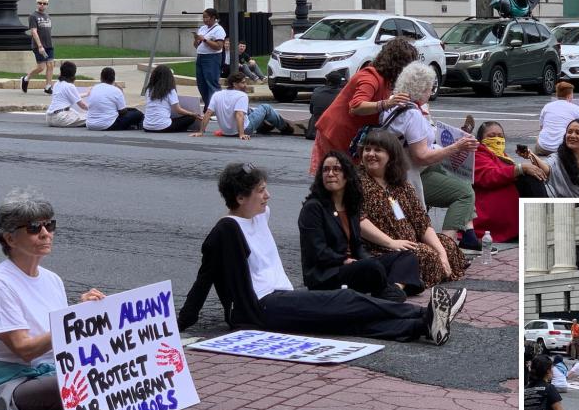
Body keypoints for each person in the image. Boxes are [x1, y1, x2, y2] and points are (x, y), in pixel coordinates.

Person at [177, 162, 465, 346]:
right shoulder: (226, 231)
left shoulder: (259, 217)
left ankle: (423, 327)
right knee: (346, 299)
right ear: (240, 198)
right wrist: (181, 324)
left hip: (280, 300)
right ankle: (424, 314)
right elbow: (205, 277)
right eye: (261, 191)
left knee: (345, 318)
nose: (268, 196)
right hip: (261, 309)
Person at [0, 190, 105, 410]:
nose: (46, 233)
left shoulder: (52, 280)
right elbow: (24, 349)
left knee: (109, 367)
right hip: (7, 380)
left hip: (49, 371)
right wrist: (72, 321)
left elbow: (61, 335)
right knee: (69, 385)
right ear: (10, 239)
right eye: (35, 228)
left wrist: (87, 313)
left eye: (50, 225)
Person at [381, 63, 481, 250]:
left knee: (461, 177)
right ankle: (446, 247)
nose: (431, 93)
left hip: (395, 170)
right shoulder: (413, 114)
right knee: (465, 193)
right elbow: (421, 157)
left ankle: (468, 233)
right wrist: (456, 147)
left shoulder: (394, 103)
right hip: (408, 176)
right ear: (423, 88)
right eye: (431, 88)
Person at [298, 151, 421, 300]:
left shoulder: (351, 206)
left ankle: (392, 289)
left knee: (407, 257)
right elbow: (317, 251)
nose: (330, 174)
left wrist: (367, 260)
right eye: (326, 169)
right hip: (328, 272)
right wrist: (345, 260)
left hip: (354, 266)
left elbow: (357, 246)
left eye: (336, 169)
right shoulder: (313, 208)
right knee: (372, 268)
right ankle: (390, 289)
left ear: (347, 175)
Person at [357, 129, 466, 288]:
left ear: (391, 156)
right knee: (424, 255)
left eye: (378, 150)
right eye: (367, 149)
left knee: (446, 246)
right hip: (379, 246)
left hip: (409, 241)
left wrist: (441, 253)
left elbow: (421, 221)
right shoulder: (357, 182)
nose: (370, 154)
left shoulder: (400, 184)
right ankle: (402, 284)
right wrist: (392, 243)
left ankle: (433, 269)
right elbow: (359, 220)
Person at [311, 37, 415, 175]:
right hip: (336, 134)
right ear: (399, 64)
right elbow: (356, 106)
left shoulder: (384, 79)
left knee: (345, 180)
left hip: (349, 136)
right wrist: (386, 104)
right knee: (336, 179)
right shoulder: (370, 77)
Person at [472, 121, 547, 243]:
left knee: (531, 178)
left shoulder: (501, 155)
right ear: (481, 139)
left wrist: (528, 162)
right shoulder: (478, 153)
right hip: (490, 215)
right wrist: (520, 168)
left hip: (508, 214)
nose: (497, 139)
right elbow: (489, 176)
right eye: (491, 136)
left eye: (500, 136)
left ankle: (541, 222)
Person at [194, 72, 293, 139]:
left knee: (248, 110)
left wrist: (201, 132)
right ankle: (285, 128)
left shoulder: (217, 94)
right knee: (265, 107)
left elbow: (208, 113)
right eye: (243, 83)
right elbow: (239, 115)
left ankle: (264, 126)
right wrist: (242, 134)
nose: (245, 85)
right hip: (243, 130)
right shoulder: (242, 95)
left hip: (226, 131)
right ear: (234, 84)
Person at [142, 64, 202, 133]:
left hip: (146, 126)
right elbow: (178, 110)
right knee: (190, 118)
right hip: (163, 127)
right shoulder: (170, 90)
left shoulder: (149, 89)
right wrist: (192, 113)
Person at [534, 82, 579, 156]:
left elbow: (541, 127)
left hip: (542, 147)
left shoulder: (547, 106)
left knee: (540, 136)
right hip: (562, 149)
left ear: (557, 94)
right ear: (569, 95)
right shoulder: (576, 108)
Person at [21, 0, 55, 95]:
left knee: (51, 65)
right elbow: (34, 32)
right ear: (37, 3)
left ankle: (48, 87)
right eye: (40, 3)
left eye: (44, 4)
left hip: (49, 45)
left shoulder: (48, 16)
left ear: (47, 5)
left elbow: (48, 31)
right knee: (41, 67)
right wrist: (40, 46)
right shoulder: (33, 16)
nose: (42, 5)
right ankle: (26, 78)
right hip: (39, 46)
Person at [193, 8, 226, 110]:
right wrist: (196, 40)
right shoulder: (202, 28)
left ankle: (215, 108)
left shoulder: (218, 29)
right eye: (203, 17)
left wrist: (205, 40)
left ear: (213, 18)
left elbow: (219, 46)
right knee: (201, 83)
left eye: (206, 17)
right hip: (200, 57)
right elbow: (196, 46)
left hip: (212, 58)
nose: (204, 19)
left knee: (212, 83)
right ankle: (209, 106)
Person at [44, 61, 88, 127]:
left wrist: (86, 94)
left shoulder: (57, 83)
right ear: (73, 74)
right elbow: (82, 105)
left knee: (76, 113)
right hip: (61, 118)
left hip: (49, 118)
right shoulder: (70, 86)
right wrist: (97, 110)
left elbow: (73, 96)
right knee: (91, 119)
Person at [306, 70, 346, 140]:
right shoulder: (343, 94)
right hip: (332, 133)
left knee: (315, 114)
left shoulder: (317, 90)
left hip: (314, 133)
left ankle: (312, 131)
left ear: (328, 81)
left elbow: (312, 110)